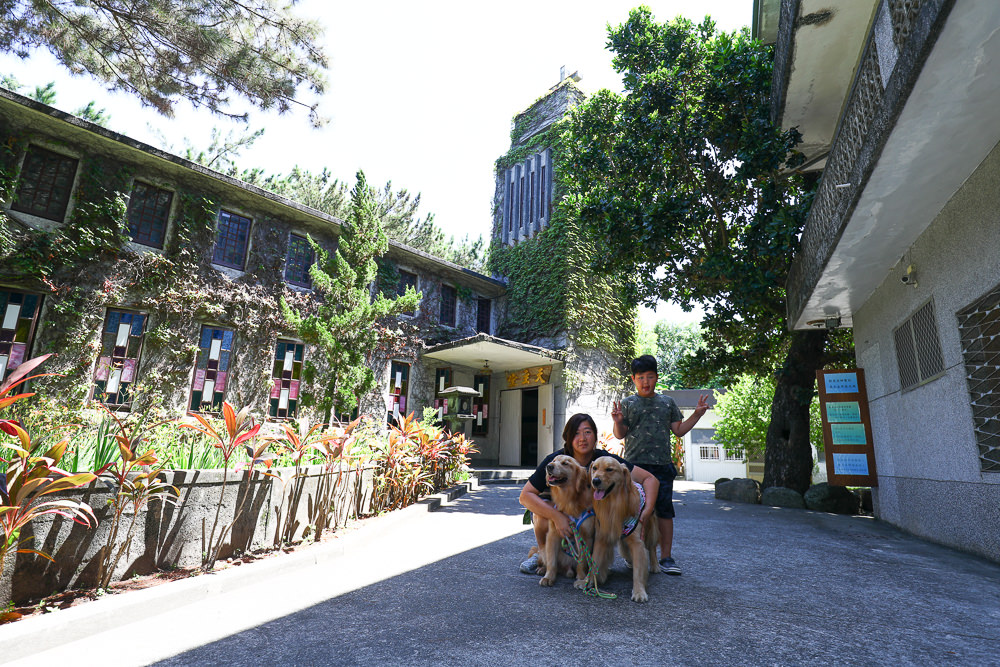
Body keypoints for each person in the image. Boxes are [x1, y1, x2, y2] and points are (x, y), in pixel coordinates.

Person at [518, 412, 658, 574]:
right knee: (542, 512)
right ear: (568, 437)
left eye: (587, 432)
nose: (582, 438)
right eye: (576, 433)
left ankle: (599, 556)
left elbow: (650, 479)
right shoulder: (555, 460)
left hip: (591, 524)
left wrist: (647, 510)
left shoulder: (604, 461)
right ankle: (542, 555)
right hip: (562, 514)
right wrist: (557, 517)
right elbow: (525, 496)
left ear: (595, 436)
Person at [612, 354, 708, 575]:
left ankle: (666, 557)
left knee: (664, 511)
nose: (645, 382)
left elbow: (679, 430)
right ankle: (631, 554)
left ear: (657, 377)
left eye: (650, 376)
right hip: (635, 468)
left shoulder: (667, 402)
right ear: (633, 379)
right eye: (640, 377)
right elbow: (620, 435)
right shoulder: (627, 404)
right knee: (633, 512)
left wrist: (697, 415)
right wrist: (617, 422)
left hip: (662, 466)